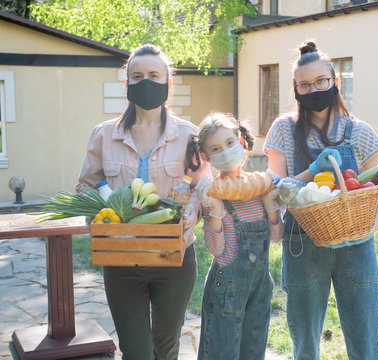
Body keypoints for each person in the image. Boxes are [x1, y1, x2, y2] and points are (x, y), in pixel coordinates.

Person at [76, 44, 209, 360]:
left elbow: (204, 187)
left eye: (153, 75)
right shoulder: (104, 134)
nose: (145, 81)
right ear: (127, 84)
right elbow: (85, 186)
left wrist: (193, 211)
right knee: (135, 351)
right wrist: (99, 216)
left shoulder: (190, 136)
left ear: (168, 83)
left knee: (166, 348)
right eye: (137, 76)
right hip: (121, 261)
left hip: (175, 259)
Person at [264, 40, 378, 359]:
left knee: (365, 339)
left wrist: (362, 232)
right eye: (305, 84)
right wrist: (311, 171)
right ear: (295, 89)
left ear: (335, 81)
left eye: (321, 81)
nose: (313, 89)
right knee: (305, 342)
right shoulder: (283, 129)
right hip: (302, 242)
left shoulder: (359, 131)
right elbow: (277, 189)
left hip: (356, 245)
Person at [185, 112, 284, 360]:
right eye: (216, 149)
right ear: (207, 157)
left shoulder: (258, 185)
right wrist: (215, 213)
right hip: (226, 287)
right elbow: (216, 250)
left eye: (230, 143)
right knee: (222, 354)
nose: (226, 151)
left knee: (253, 352)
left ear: (240, 141)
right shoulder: (211, 192)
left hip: (260, 285)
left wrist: (271, 206)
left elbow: (276, 236)